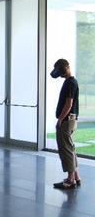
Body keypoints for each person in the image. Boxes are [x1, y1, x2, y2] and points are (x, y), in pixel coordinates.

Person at [50, 59, 81, 189]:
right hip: (71, 119)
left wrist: (60, 120)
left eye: (62, 72)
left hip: (67, 120)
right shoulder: (70, 82)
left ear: (67, 68)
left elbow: (68, 104)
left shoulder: (70, 83)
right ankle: (76, 177)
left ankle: (70, 180)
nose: (61, 75)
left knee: (66, 150)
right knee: (70, 149)